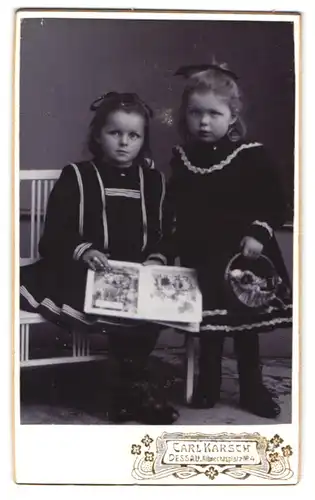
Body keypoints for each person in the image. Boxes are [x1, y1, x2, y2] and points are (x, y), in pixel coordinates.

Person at [20, 91, 179, 425]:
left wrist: (157, 259)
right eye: (115, 133)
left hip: (136, 272)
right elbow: (54, 237)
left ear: (143, 140)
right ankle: (129, 392)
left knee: (147, 304)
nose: (124, 143)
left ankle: (130, 388)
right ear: (97, 135)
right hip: (85, 271)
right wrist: (85, 251)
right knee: (112, 303)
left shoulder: (153, 182)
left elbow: (164, 234)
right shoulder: (76, 176)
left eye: (133, 135)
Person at [165, 63, 292, 418]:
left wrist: (258, 233)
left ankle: (252, 387)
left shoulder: (250, 155)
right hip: (202, 254)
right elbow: (176, 204)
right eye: (195, 113)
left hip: (241, 255)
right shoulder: (184, 159)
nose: (204, 122)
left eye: (214, 114)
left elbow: (272, 202)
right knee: (209, 327)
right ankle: (208, 384)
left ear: (232, 116)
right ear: (185, 115)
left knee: (243, 326)